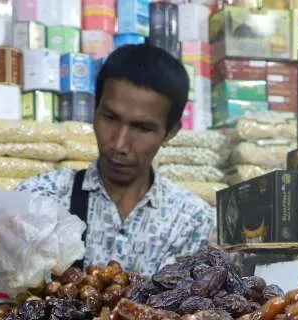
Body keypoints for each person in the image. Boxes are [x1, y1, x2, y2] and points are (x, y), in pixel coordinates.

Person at [15, 44, 215, 276]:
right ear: (94, 110)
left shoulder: (191, 221)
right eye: (110, 118)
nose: (119, 144)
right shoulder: (41, 198)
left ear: (171, 132)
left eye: (142, 128)